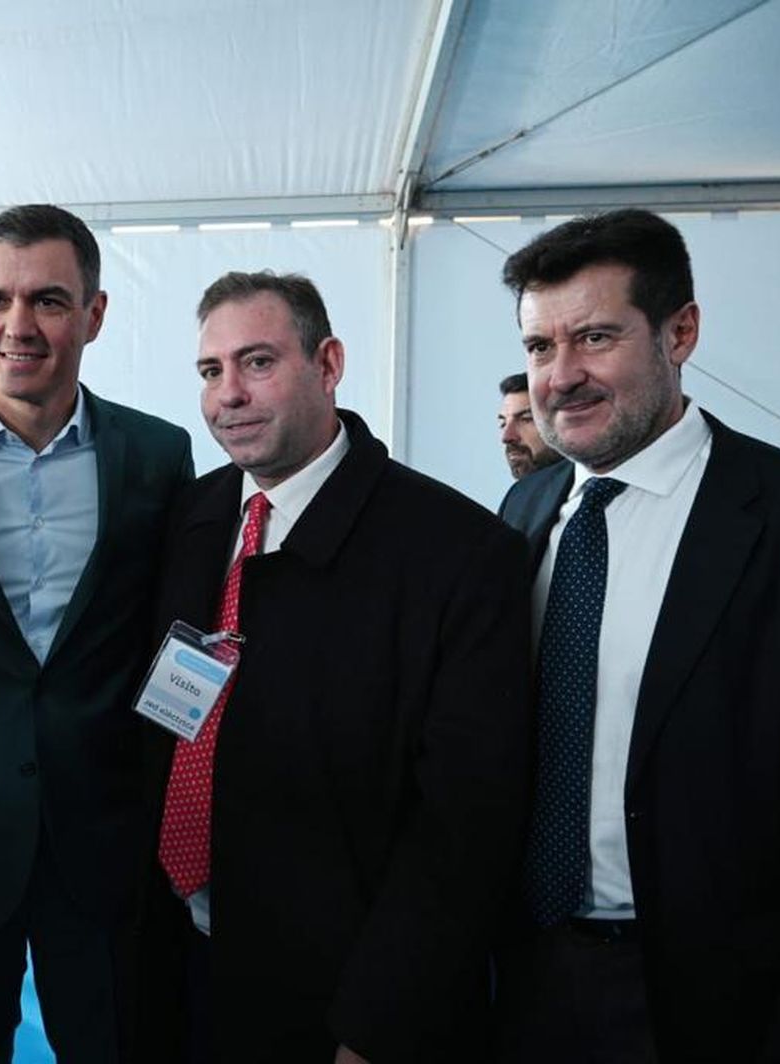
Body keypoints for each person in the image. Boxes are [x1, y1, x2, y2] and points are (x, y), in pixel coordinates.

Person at [135, 270, 532, 1063]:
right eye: (211, 372)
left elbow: (464, 824)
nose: (229, 396)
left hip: (346, 1000)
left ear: (329, 362)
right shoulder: (190, 519)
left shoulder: (456, 551)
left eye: (258, 362)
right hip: (185, 966)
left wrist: (378, 1022)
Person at [493, 209, 780, 1063]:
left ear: (681, 331)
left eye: (594, 337)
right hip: (522, 979)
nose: (560, 377)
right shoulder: (524, 512)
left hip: (719, 996)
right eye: (538, 347)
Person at [0, 204, 192, 1062]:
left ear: (94, 314)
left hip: (102, 829)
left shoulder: (158, 457)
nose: (17, 327)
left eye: (48, 301)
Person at [497, 372, 561, 479]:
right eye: (503, 423)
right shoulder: (517, 494)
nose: (506, 437)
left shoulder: (592, 489)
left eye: (526, 419)